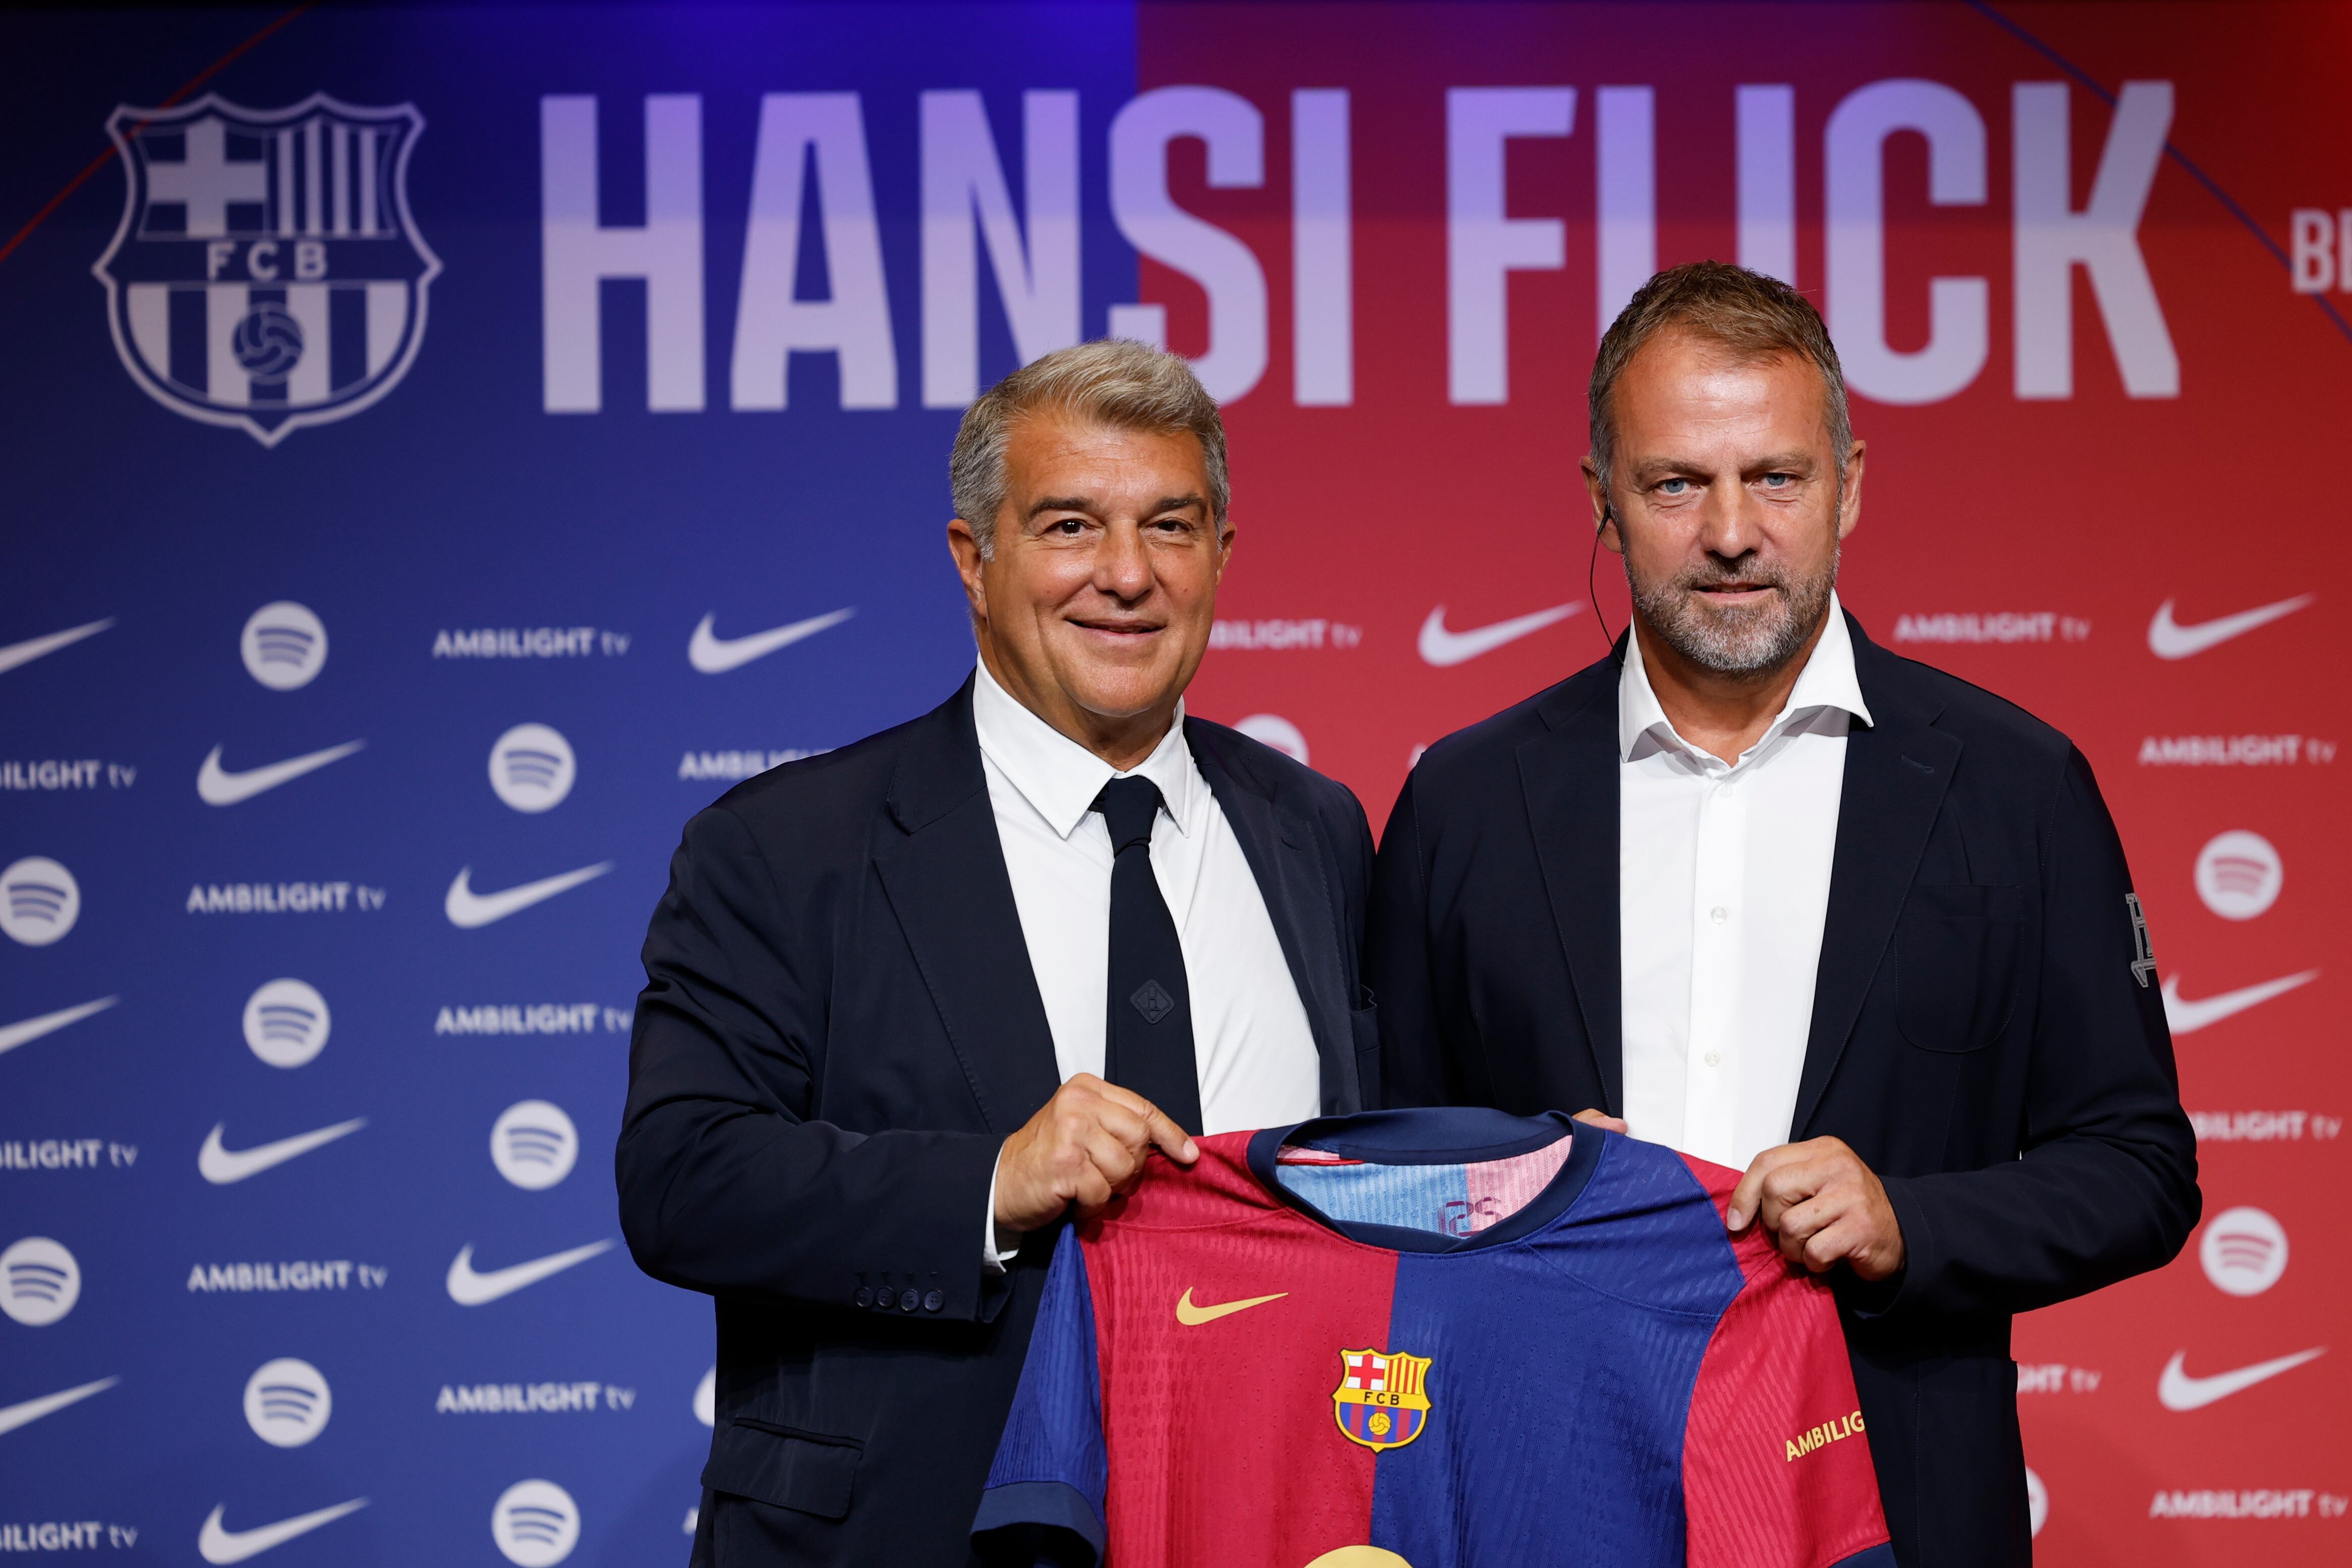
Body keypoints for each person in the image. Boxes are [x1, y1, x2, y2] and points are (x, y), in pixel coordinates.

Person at [1368, 262, 2197, 1565]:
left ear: (1851, 486)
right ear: (1603, 503)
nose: (1733, 533)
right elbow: (1371, 1171)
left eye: (1778, 477)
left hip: (1896, 1502)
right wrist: (1509, 1180)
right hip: (1545, 1492)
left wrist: (1906, 1221)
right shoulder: (1465, 802)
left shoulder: (2018, 785)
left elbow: (2141, 1173)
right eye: (1676, 483)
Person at [617, 338, 1379, 1565]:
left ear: (1222, 556)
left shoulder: (1317, 828)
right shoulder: (786, 847)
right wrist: (991, 1183)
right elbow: (680, 1180)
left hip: (1272, 1520)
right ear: (977, 560)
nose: (1126, 574)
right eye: (1072, 525)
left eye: (1170, 526)